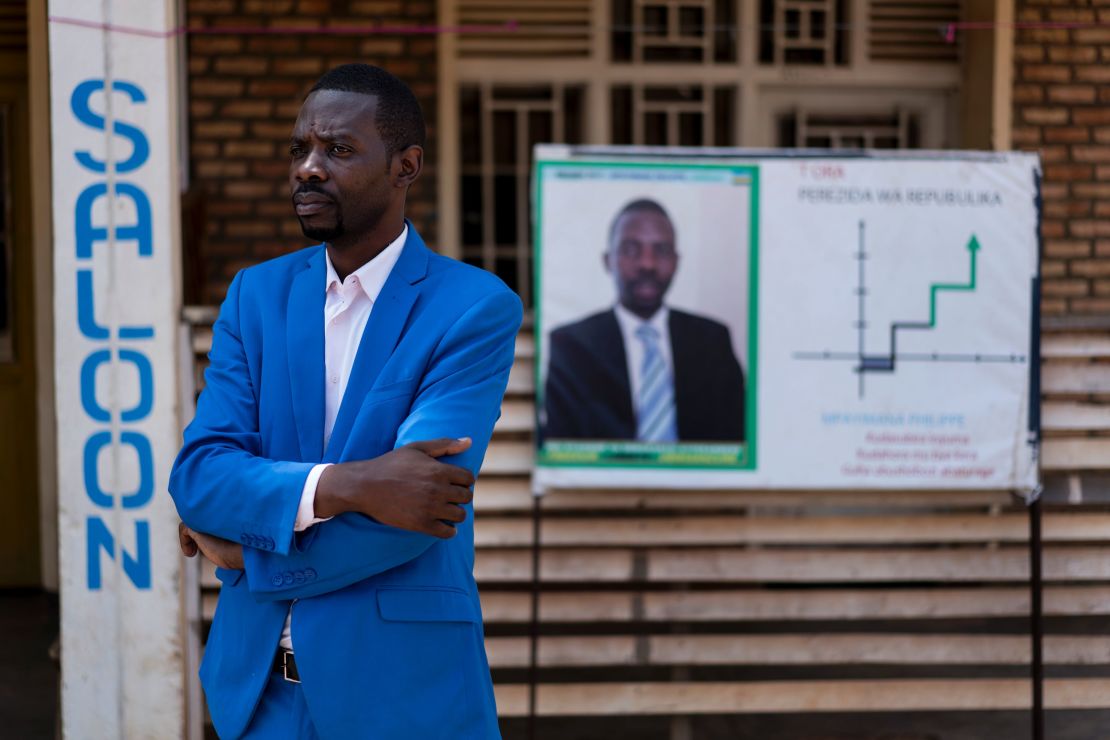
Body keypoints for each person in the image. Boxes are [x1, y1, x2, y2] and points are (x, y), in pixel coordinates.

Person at [169, 64, 521, 739]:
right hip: (259, 696)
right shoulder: (255, 296)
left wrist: (250, 549)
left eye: (337, 149)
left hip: (403, 695)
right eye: (299, 149)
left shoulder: (472, 308)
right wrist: (349, 485)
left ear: (405, 166)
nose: (308, 168)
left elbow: (420, 506)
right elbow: (199, 475)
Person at [542, 198, 745, 443]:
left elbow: (735, 435)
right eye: (630, 250)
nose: (647, 264)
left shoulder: (713, 340)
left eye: (660, 250)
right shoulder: (571, 345)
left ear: (676, 262)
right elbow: (562, 440)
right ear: (608, 260)